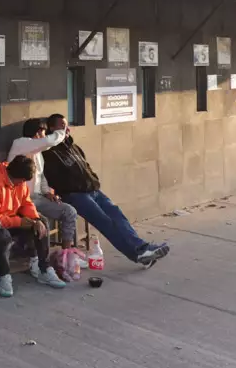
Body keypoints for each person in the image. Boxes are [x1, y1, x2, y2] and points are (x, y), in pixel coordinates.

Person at [41, 114, 170, 267]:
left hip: (93, 191)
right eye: (62, 126)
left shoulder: (74, 147)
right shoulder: (48, 152)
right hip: (75, 195)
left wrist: (93, 180)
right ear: (52, 129)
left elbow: (86, 167)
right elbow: (48, 177)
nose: (67, 129)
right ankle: (139, 252)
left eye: (66, 125)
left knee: (117, 216)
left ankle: (142, 250)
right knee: (106, 222)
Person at [0, 155, 68, 297]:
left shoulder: (18, 180)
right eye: (22, 181)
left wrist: (34, 219)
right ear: (15, 176)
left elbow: (26, 203)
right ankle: (4, 277)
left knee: (42, 222)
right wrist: (19, 222)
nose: (23, 183)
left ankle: (44, 269)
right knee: (3, 237)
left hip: (9, 219)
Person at [8, 118, 79, 255]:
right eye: (43, 132)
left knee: (69, 211)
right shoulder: (20, 144)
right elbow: (48, 142)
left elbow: (40, 176)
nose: (44, 136)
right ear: (36, 133)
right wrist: (61, 132)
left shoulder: (38, 153)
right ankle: (41, 261)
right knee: (42, 222)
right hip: (20, 200)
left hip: (37, 198)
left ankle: (67, 254)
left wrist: (47, 192)